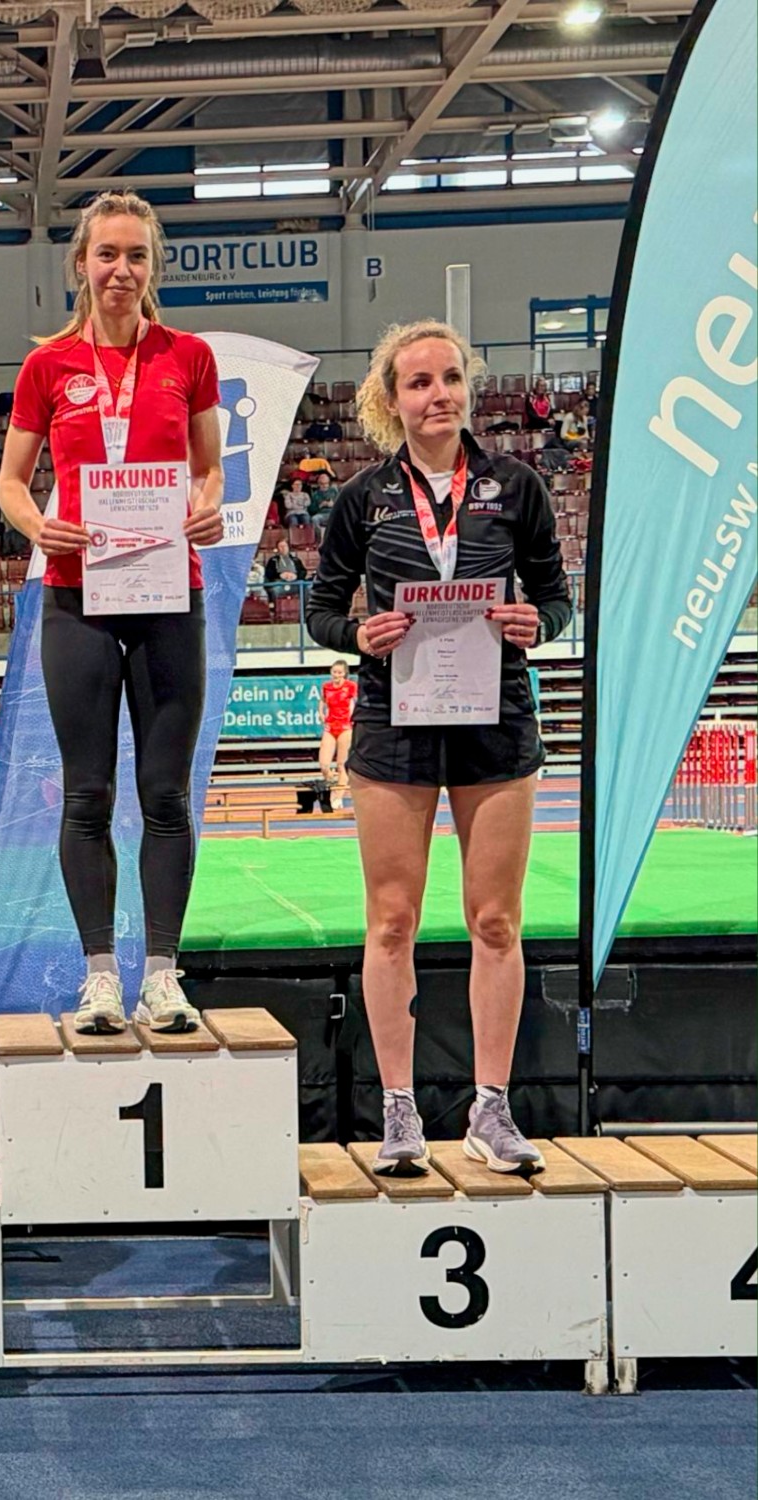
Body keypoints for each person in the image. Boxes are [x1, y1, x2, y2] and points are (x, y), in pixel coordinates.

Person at [306, 319, 571, 1178]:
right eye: (419, 382)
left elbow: (557, 598)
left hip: (497, 721)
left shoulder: (517, 486)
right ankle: (399, 1111)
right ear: (392, 399)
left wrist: (537, 623)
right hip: (394, 724)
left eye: (450, 377)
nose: (439, 394)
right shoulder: (363, 498)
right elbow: (320, 610)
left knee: (496, 921)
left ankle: (492, 1109)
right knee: (392, 922)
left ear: (468, 387)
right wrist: (359, 634)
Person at [0, 189, 223, 1035]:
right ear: (81, 265)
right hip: (76, 594)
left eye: (135, 255)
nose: (120, 270)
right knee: (86, 794)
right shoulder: (47, 367)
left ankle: (162, 976)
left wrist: (209, 506)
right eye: (107, 254)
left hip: (168, 592)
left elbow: (209, 470)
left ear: (151, 265)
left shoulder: (188, 357)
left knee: (165, 794)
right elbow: (10, 483)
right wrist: (37, 524)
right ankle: (100, 978)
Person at [319, 660, 357, 791]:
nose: (336, 675)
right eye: (334, 672)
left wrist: (355, 718)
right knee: (324, 765)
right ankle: (331, 780)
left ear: (344, 673)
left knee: (341, 765)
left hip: (345, 726)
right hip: (330, 726)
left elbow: (357, 701)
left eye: (340, 672)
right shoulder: (326, 686)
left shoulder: (350, 686)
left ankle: (338, 796)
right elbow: (322, 700)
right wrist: (321, 713)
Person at [263, 535, 307, 603]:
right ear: (278, 548)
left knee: (307, 588)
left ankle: (305, 608)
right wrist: (280, 575)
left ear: (288, 547)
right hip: (279, 583)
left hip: (295, 583)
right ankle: (274, 608)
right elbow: (269, 574)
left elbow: (303, 571)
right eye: (281, 546)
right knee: (274, 590)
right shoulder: (272, 560)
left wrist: (296, 576)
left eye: (285, 546)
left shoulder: (296, 560)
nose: (283, 548)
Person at [309, 474, 341, 540]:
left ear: (329, 483)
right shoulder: (315, 494)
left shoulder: (334, 491)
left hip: (333, 513)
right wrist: (320, 505)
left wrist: (333, 504)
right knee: (314, 519)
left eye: (326, 483)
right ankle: (319, 539)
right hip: (321, 514)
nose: (324, 485)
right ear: (318, 484)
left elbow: (341, 502)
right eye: (322, 483)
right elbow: (311, 509)